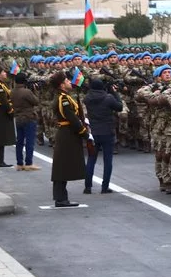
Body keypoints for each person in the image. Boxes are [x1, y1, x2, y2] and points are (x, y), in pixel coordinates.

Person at [49, 71, 89, 207]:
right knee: (62, 167)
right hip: (67, 134)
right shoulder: (63, 99)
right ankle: (60, 198)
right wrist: (84, 132)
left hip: (67, 133)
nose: (69, 82)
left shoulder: (65, 96)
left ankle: (61, 197)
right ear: (61, 85)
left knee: (63, 167)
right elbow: (71, 118)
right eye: (66, 81)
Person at [83, 77, 123, 194]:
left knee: (91, 159)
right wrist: (114, 92)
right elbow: (119, 107)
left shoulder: (87, 98)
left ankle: (88, 186)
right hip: (107, 131)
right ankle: (104, 187)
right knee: (107, 160)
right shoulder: (108, 98)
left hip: (93, 132)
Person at [12, 73, 40, 170]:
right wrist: (35, 91)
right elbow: (36, 101)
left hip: (18, 118)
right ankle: (29, 163)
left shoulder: (12, 91)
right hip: (28, 118)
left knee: (19, 141)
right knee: (29, 141)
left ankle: (19, 163)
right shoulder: (27, 92)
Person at [0, 66, 16, 168]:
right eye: (3, 72)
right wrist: (10, 110)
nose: (5, 73)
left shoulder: (2, 84)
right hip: (1, 113)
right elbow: (3, 101)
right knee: (0, 138)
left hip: (2, 112)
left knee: (1, 138)